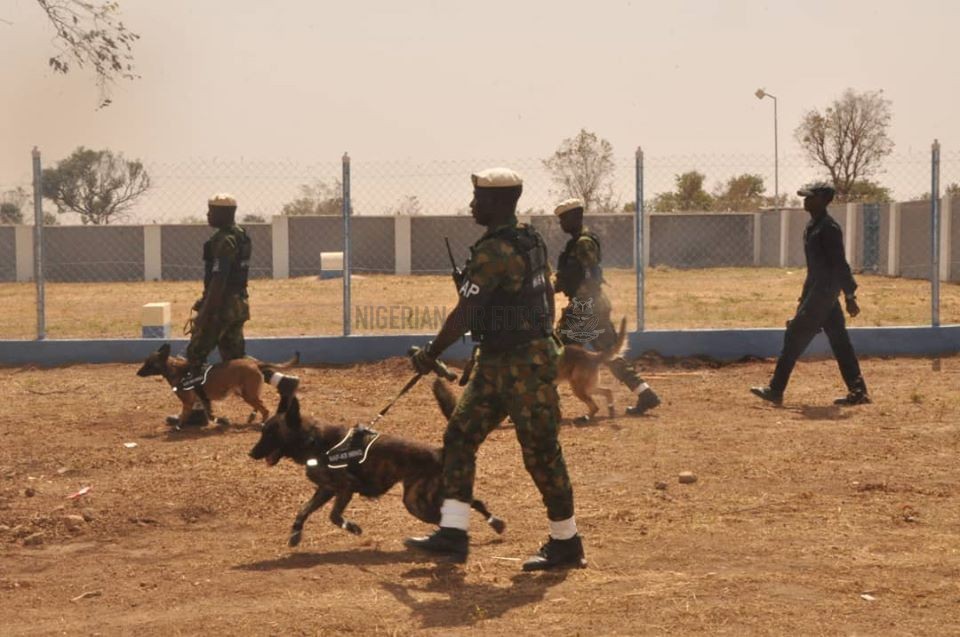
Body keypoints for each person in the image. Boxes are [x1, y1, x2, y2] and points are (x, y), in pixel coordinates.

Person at [404, 167, 586, 571]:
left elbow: (466, 311)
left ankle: (566, 542)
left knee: (540, 452)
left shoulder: (494, 251)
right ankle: (453, 532)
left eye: (479, 199)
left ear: (500, 202)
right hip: (501, 361)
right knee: (460, 436)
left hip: (522, 365)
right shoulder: (530, 239)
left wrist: (431, 353)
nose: (472, 205)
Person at [751, 182, 870, 406]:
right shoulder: (813, 226)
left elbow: (839, 264)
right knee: (840, 342)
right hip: (819, 292)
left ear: (824, 200)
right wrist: (803, 298)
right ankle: (858, 390)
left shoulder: (829, 228)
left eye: (809, 197)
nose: (804, 201)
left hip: (824, 294)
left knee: (794, 335)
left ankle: (776, 390)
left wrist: (850, 295)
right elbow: (815, 269)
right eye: (804, 197)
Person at [553, 198, 661, 415]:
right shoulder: (578, 242)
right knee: (607, 353)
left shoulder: (583, 243)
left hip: (586, 307)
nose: (561, 224)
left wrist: (578, 299)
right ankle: (645, 393)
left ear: (576, 217)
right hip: (592, 306)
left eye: (564, 219)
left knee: (556, 350)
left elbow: (589, 274)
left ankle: (545, 405)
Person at [172, 193, 253, 427]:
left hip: (221, 308)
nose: (208, 215)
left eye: (211, 211)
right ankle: (281, 383)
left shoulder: (223, 239)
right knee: (237, 361)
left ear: (223, 213)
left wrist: (205, 312)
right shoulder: (242, 236)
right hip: (238, 304)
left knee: (194, 357)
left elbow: (219, 278)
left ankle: (197, 411)